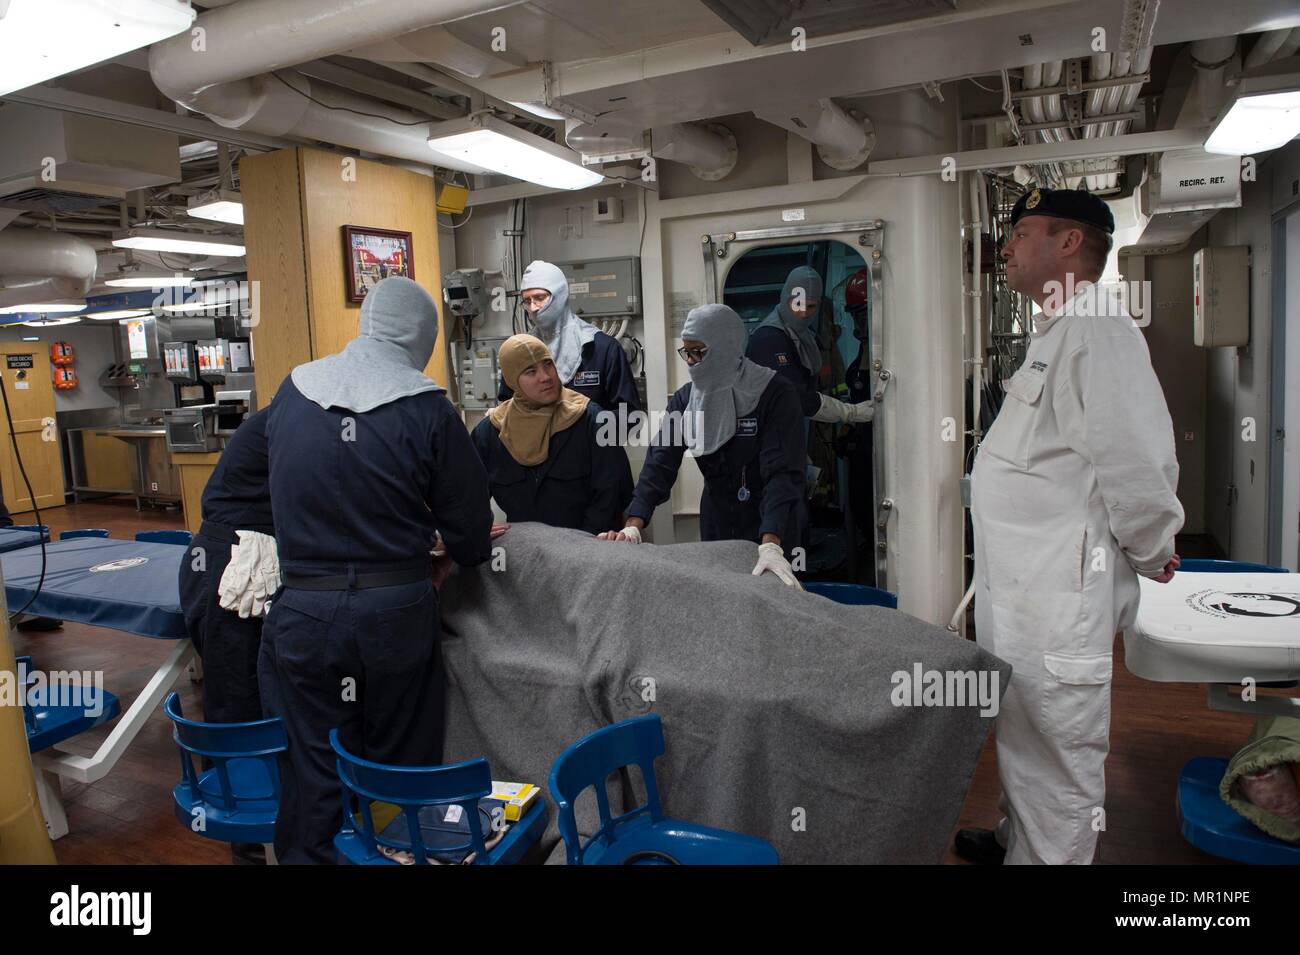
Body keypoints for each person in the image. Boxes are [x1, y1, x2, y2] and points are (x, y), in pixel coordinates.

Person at [957, 187, 1184, 866]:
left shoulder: (1097, 331)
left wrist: (1152, 545)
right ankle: (1016, 841)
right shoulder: (1054, 333)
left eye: (1023, 232)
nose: (1007, 247)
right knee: (1024, 734)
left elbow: (1135, 457)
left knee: (1060, 751)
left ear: (1069, 243)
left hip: (1059, 603)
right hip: (1026, 598)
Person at [260, 277, 496, 864]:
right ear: (423, 335)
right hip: (392, 616)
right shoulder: (429, 409)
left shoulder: (293, 391)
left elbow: (256, 486)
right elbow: (471, 535)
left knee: (314, 773)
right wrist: (441, 544)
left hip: (301, 615)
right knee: (396, 774)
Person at [598, 304, 806, 586]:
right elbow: (660, 461)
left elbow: (782, 473)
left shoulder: (774, 393)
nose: (692, 362)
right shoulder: (686, 401)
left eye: (700, 352)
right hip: (717, 520)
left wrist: (771, 542)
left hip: (773, 520)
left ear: (725, 346)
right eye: (687, 353)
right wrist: (634, 524)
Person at [176, 406, 276, 865]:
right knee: (239, 709)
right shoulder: (298, 424)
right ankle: (251, 845)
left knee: (259, 702)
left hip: (236, 559)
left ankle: (269, 833)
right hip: (234, 569)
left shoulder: (295, 417)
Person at [472, 334, 633, 534]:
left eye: (548, 365)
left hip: (588, 549)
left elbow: (613, 492)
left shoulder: (592, 420)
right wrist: (475, 530)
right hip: (526, 552)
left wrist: (581, 544)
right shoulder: (490, 433)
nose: (546, 377)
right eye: (531, 371)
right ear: (513, 380)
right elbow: (468, 497)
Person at [500, 260, 641, 420]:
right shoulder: (519, 352)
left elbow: (631, 418)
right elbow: (508, 410)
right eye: (527, 301)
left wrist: (584, 426)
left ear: (560, 295)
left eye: (540, 297)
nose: (533, 308)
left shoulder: (602, 349)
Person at [746, 265, 873, 427]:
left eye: (811, 306)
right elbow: (794, 395)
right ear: (786, 299)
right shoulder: (770, 339)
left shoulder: (804, 335)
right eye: (798, 304)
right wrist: (849, 412)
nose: (804, 312)